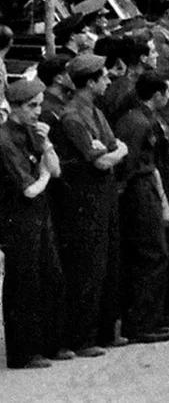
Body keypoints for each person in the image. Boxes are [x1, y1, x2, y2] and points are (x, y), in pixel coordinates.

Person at [52, 52, 125, 354]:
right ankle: (82, 337)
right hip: (84, 198)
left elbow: (111, 146)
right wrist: (114, 152)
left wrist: (112, 152)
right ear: (91, 82)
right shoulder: (73, 117)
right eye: (104, 77)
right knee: (87, 268)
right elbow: (101, 159)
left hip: (102, 195)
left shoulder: (94, 111)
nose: (108, 82)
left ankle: (104, 331)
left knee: (108, 263)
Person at [1, 76, 64, 369]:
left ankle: (49, 343)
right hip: (18, 216)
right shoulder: (5, 140)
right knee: (24, 283)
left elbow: (55, 170)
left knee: (50, 276)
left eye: (39, 105)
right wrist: (44, 175)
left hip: (39, 214)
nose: (38, 111)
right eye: (32, 106)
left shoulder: (32, 132)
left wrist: (47, 145)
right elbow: (29, 188)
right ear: (15, 107)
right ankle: (23, 351)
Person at [112, 70, 169, 346]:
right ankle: (141, 322)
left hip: (143, 186)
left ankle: (148, 317)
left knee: (150, 254)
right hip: (139, 189)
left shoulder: (138, 118)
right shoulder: (139, 122)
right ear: (158, 94)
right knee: (150, 254)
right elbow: (131, 162)